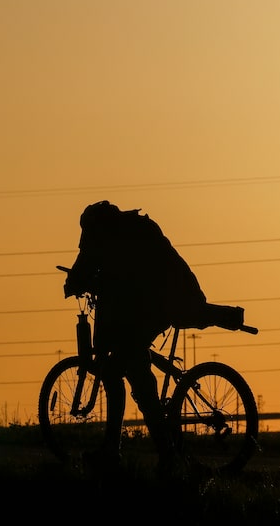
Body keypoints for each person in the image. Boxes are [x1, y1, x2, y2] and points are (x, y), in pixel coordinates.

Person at [62, 200, 208, 475]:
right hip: (164, 301)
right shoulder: (131, 229)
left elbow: (88, 263)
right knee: (116, 370)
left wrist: (74, 283)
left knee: (136, 376)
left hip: (160, 304)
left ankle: (164, 455)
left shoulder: (113, 235)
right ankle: (114, 451)